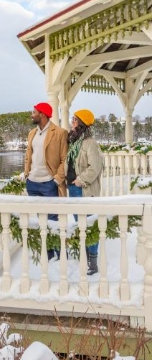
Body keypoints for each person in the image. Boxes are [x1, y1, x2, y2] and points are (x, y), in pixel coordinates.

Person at [23, 102, 68, 260]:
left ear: (42, 114)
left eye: (34, 112)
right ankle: (48, 253)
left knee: (53, 220)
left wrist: (56, 180)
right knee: (42, 219)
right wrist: (26, 173)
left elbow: (65, 159)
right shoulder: (32, 133)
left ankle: (61, 254)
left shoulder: (60, 133)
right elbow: (29, 156)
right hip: (32, 183)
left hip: (50, 183)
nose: (32, 115)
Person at [65, 109, 104, 275]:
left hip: (85, 190)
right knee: (80, 224)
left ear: (81, 122)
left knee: (89, 226)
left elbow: (95, 167)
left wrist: (80, 180)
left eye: (74, 119)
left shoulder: (90, 143)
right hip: (73, 188)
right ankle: (86, 256)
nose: (72, 121)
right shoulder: (74, 142)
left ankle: (93, 263)